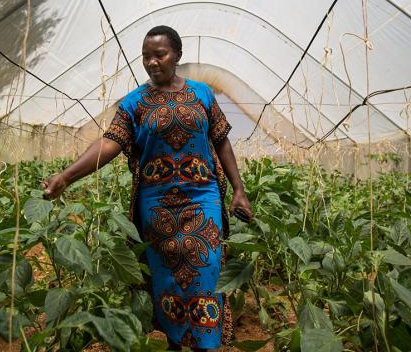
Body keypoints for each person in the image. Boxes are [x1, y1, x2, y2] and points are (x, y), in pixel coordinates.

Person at [42, 25, 253, 351]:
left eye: (160, 55)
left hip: (203, 196)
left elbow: (221, 140)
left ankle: (204, 344)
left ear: (177, 55)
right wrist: (66, 176)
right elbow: (110, 143)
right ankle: (173, 341)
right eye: (145, 57)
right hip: (157, 205)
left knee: (207, 272)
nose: (152, 62)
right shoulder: (134, 103)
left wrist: (239, 189)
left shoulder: (202, 94)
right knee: (165, 277)